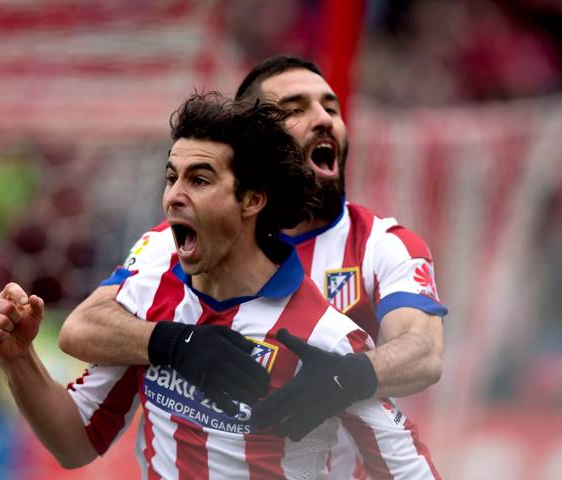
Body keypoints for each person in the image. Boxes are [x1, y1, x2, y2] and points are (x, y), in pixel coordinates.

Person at [0, 93, 439, 478]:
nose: (174, 195)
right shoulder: (152, 290)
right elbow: (76, 441)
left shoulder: (324, 337)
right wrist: (17, 359)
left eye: (199, 180)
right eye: (171, 177)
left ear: (252, 199)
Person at [58, 56, 446, 448]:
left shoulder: (383, 244)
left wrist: (347, 375)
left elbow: (423, 351)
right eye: (294, 109)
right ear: (258, 134)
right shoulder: (173, 242)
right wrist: (176, 343)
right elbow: (83, 326)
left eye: (331, 108)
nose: (324, 119)